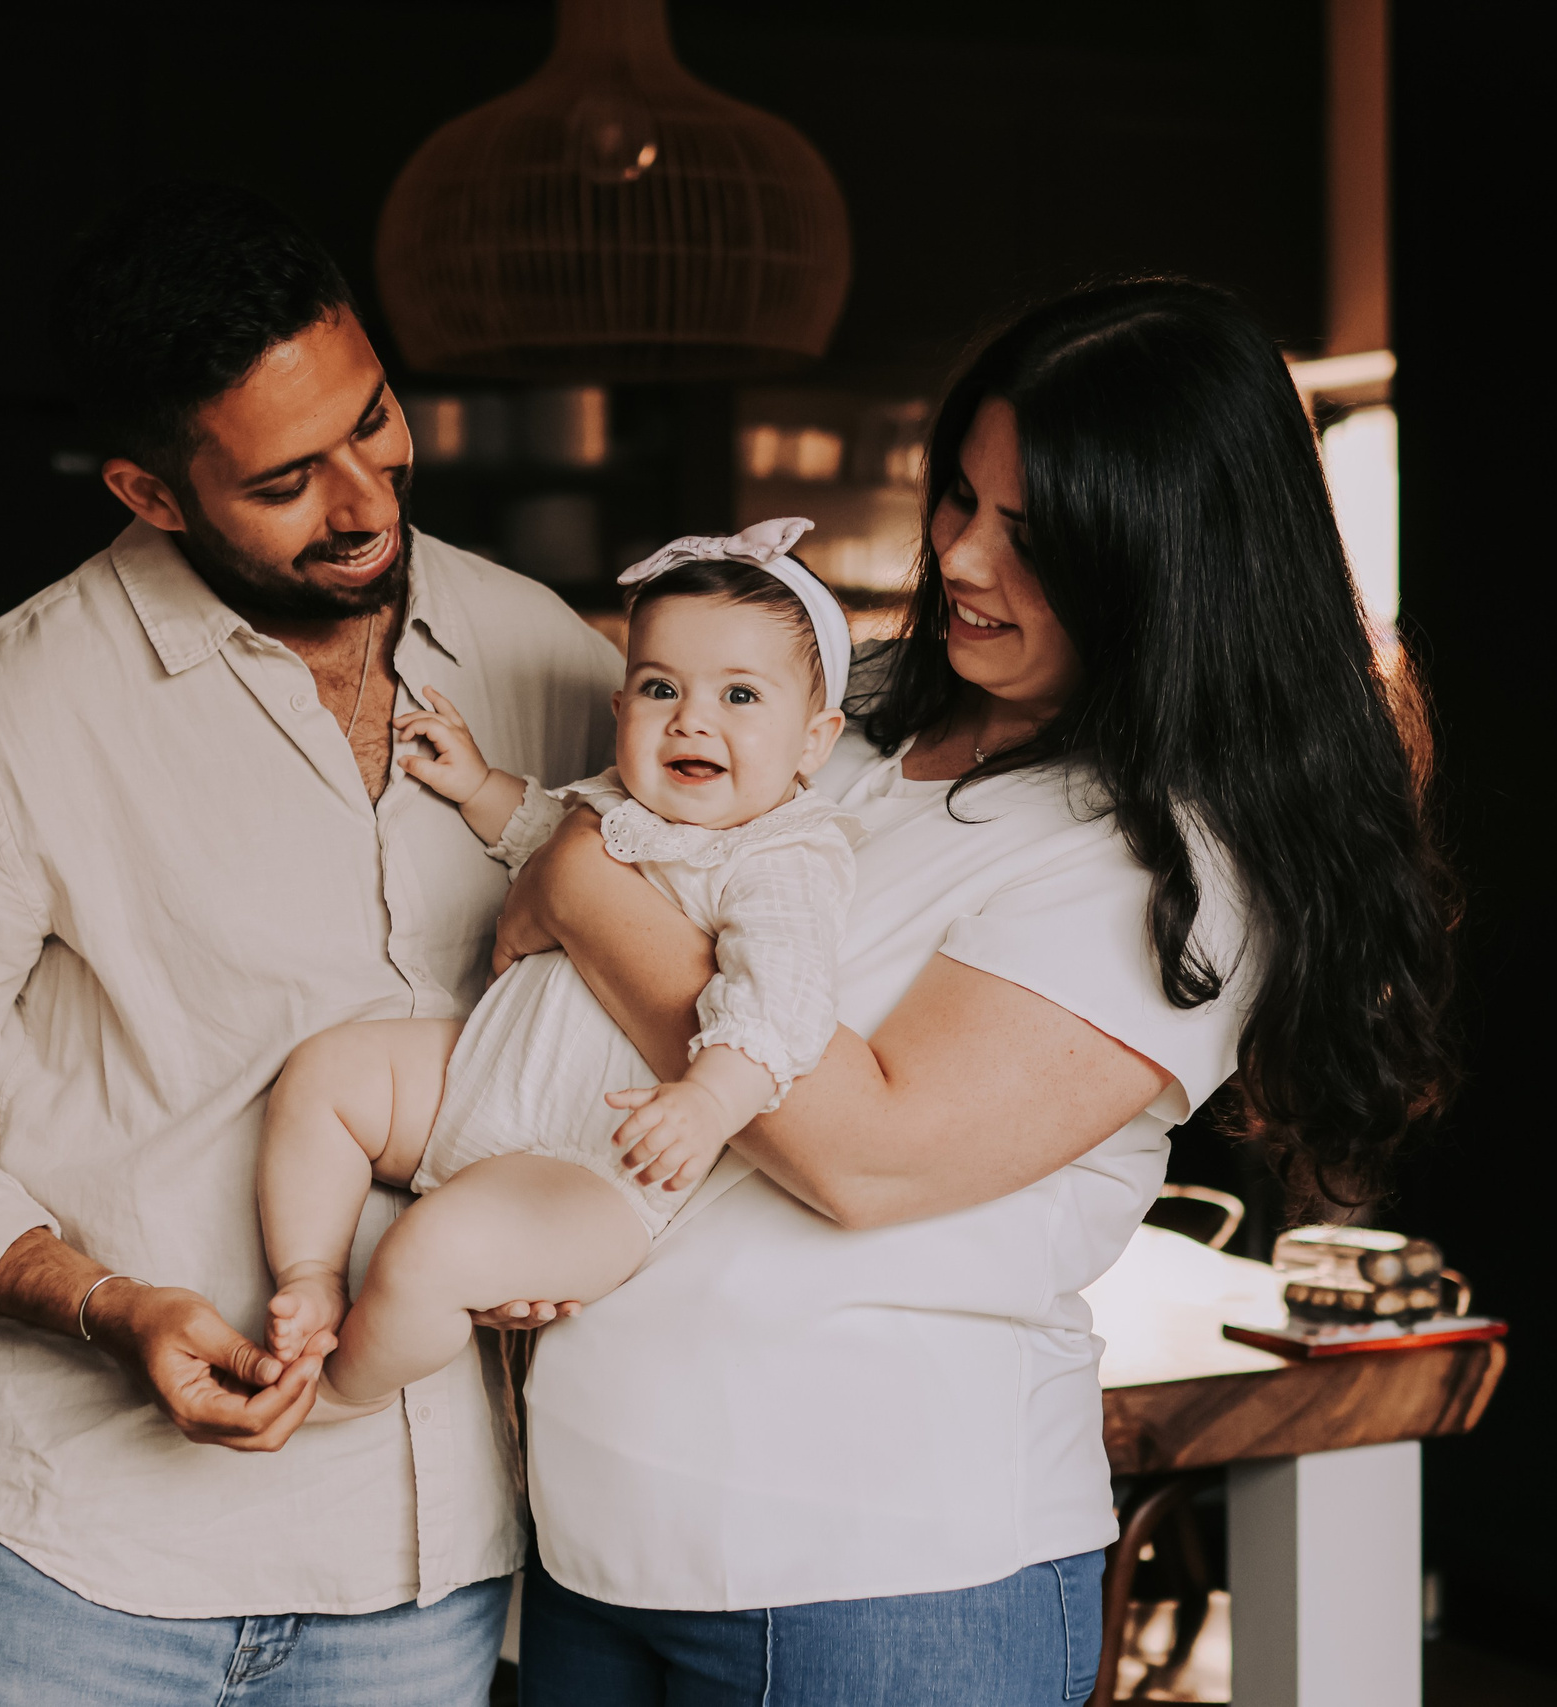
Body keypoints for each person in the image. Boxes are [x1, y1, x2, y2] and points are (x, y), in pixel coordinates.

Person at [489, 278, 1461, 1704]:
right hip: (591, 1541)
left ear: (1166, 565)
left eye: (1032, 533)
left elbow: (863, 1151)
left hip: (879, 1581)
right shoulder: (848, 714)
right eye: (960, 496)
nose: (957, 555)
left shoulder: (1171, 859)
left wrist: (582, 886)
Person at [0, 184, 622, 1704]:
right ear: (151, 492)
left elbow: (656, 1000)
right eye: (287, 480)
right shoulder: (1, 723)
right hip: (78, 1564)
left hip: (432, 1571)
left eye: (374, 421)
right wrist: (105, 1304)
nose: (363, 503)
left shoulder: (553, 659)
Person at [258, 519, 860, 1412]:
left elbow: (782, 999)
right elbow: (541, 835)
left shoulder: (783, 855)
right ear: (621, 709)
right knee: (328, 1072)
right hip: (482, 1075)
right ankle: (309, 1273)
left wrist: (709, 1100)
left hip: (598, 1165)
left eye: (740, 695)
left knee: (429, 1252)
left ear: (814, 740)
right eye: (661, 687)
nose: (691, 718)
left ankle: (340, 1392)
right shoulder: (620, 805)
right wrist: (476, 784)